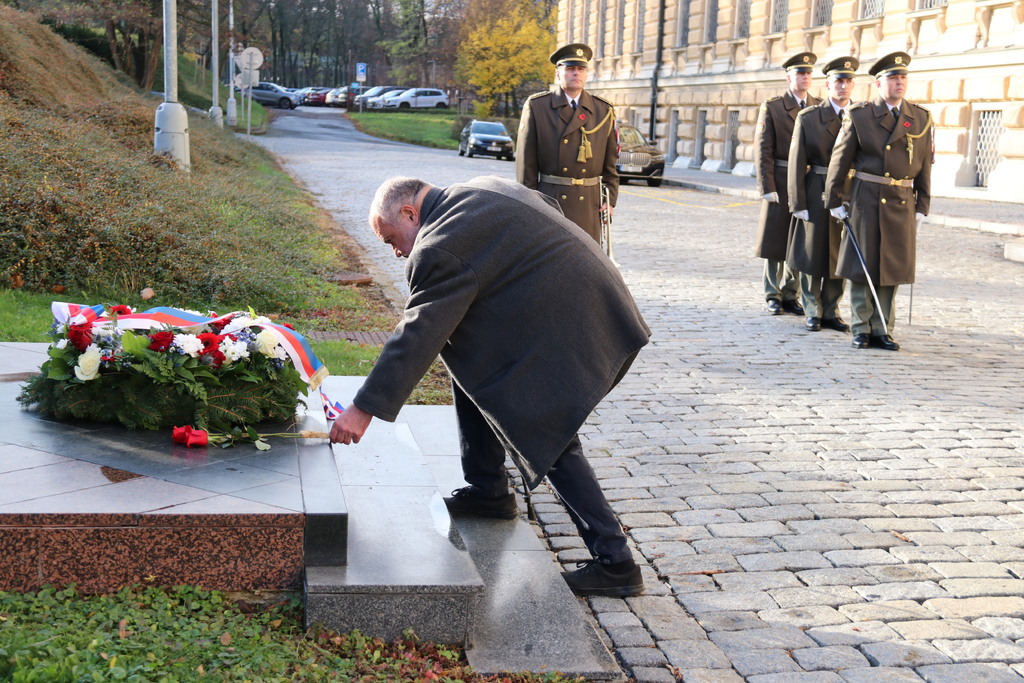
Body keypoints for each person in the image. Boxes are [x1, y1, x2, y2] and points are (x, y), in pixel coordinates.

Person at [329, 175, 651, 597]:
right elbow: (546, 208)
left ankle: (616, 563)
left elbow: (418, 332)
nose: (396, 252)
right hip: (595, 305)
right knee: (468, 350)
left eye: (392, 239)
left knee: (546, 429)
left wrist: (362, 408)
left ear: (410, 213)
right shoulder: (479, 189)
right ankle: (488, 490)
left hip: (580, 327)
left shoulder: (440, 245)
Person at [824, 51, 932, 351]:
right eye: (893, 78)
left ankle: (882, 328)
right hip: (867, 199)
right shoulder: (860, 115)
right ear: (878, 83)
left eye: (903, 78)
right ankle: (861, 326)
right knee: (864, 264)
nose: (900, 83)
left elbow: (924, 164)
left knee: (891, 267)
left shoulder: (920, 117)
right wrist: (834, 199)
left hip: (901, 201)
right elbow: (839, 161)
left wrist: (923, 204)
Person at [516, 42, 618, 243]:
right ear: (557, 74)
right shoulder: (538, 106)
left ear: (586, 74)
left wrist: (611, 200)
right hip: (550, 200)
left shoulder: (603, 110)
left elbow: (611, 162)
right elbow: (526, 164)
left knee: (586, 262)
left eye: (581, 69)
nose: (576, 74)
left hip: (589, 202)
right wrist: (528, 201)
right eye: (570, 68)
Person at [787, 56, 858, 333]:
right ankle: (812, 309)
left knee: (840, 254)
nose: (843, 86)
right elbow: (796, 161)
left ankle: (831, 309)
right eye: (838, 81)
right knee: (812, 254)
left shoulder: (861, 115)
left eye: (848, 81)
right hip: (816, 186)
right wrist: (797, 202)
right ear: (828, 84)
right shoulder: (810, 117)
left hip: (848, 191)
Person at [754, 52, 820, 317]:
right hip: (780, 180)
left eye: (808, 74)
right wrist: (766, 186)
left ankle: (792, 293)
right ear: (789, 77)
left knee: (800, 239)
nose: (804, 78)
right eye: (799, 73)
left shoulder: (818, 106)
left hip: (807, 181)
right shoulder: (773, 107)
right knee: (776, 239)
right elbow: (763, 150)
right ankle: (773, 293)